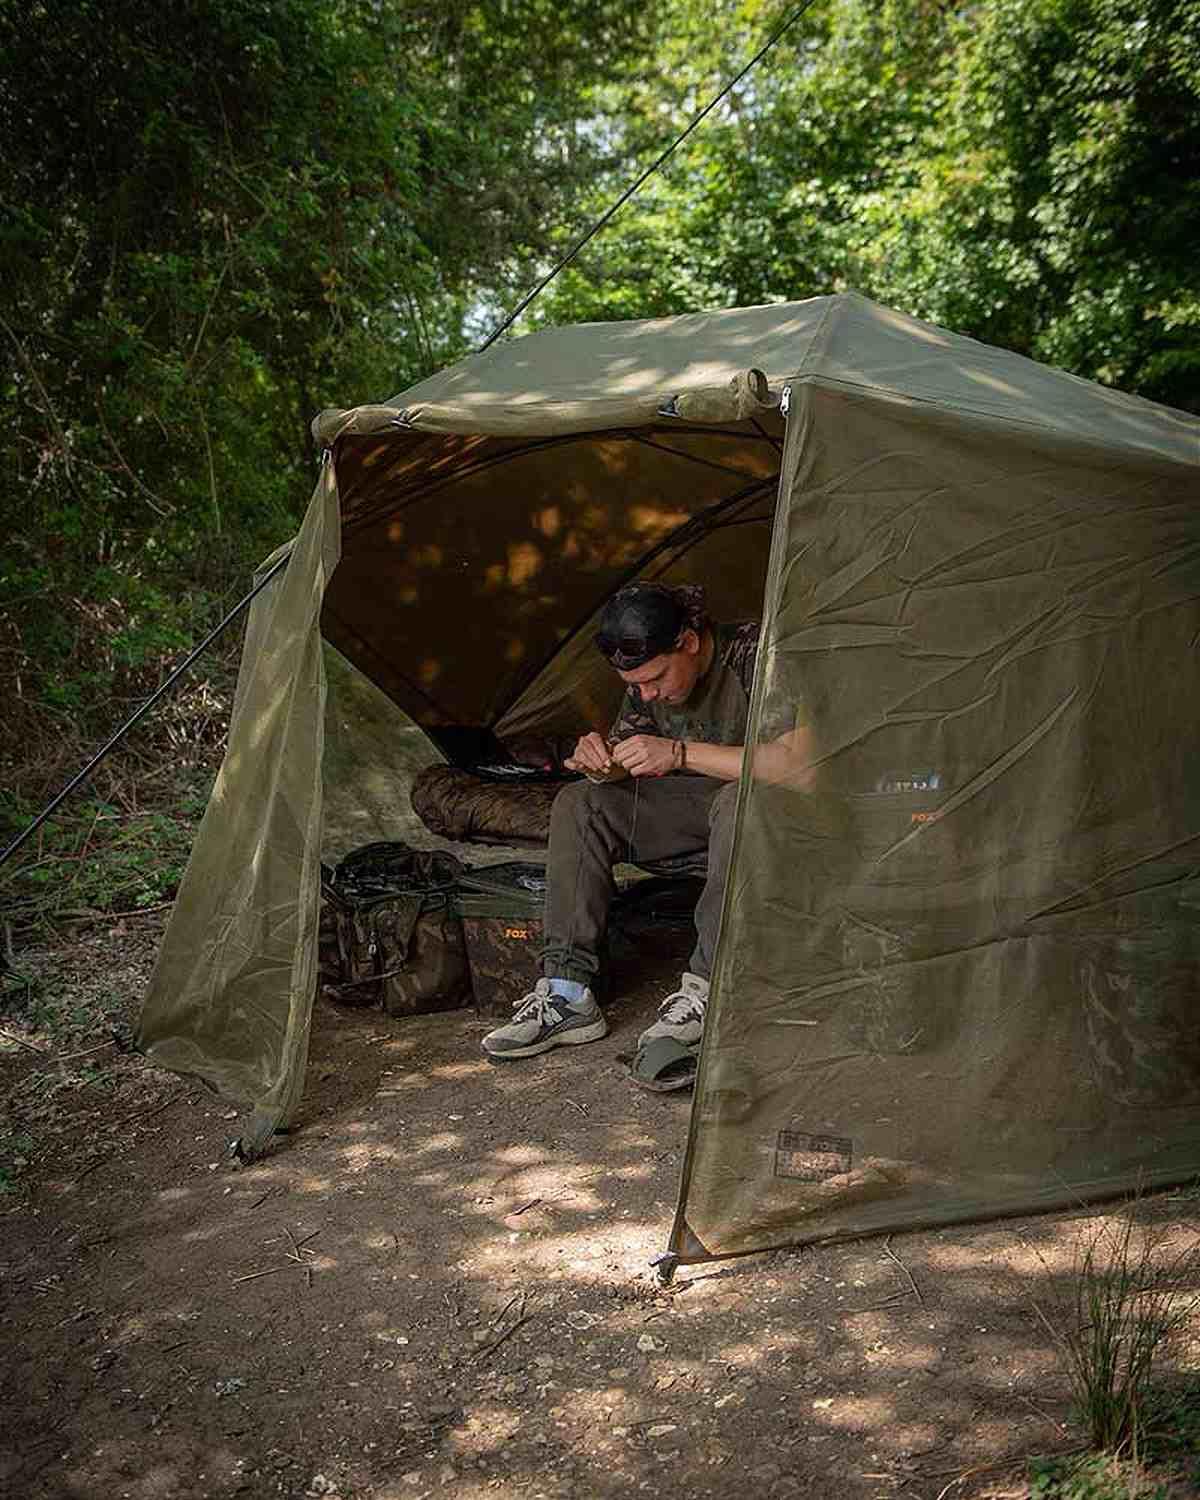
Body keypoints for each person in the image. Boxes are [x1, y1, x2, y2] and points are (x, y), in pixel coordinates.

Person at [481, 581, 811, 1064]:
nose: (646, 693)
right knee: (581, 803)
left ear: (689, 642)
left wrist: (679, 753)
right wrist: (602, 762)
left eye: (655, 679)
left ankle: (711, 990)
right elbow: (629, 757)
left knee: (736, 801)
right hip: (699, 810)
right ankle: (567, 994)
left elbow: (801, 768)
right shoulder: (644, 686)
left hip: (783, 817)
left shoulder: (761, 654)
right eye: (634, 686)